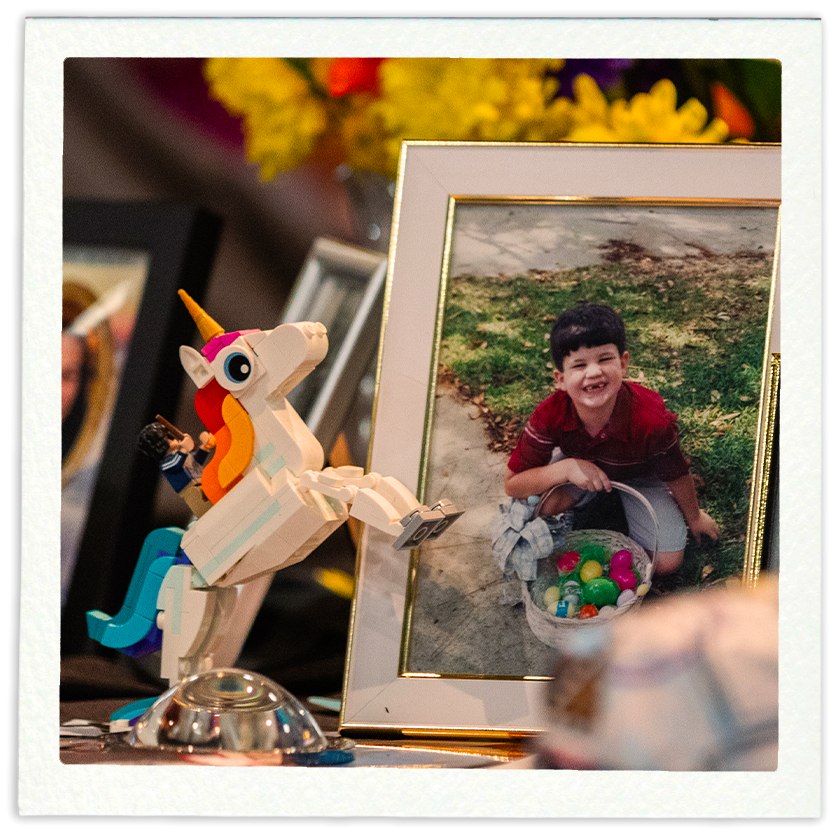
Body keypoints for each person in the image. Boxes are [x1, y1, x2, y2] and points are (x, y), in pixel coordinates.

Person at [504, 302, 718, 574]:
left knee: (665, 564)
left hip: (640, 476)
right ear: (560, 378)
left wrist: (695, 517)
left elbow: (676, 474)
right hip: (578, 465)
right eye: (579, 365)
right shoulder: (551, 414)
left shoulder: (652, 421)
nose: (593, 372)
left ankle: (614, 499)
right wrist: (566, 468)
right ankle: (587, 495)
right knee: (543, 504)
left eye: (604, 359)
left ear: (623, 363)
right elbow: (513, 485)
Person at [138, 420, 216, 518]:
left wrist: (204, 447)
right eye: (169, 439)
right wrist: (184, 449)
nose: (173, 440)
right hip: (192, 491)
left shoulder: (179, 455)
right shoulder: (166, 464)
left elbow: (196, 463)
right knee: (208, 512)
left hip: (203, 482)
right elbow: (176, 464)